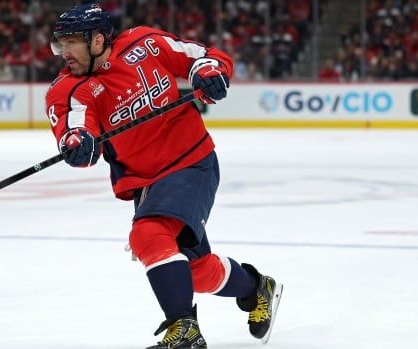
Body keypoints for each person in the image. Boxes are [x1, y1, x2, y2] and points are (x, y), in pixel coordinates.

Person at [45, 3, 283, 348]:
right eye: (60, 44)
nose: (64, 52)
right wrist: (77, 144)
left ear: (98, 40)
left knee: (148, 234)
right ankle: (256, 287)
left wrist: (209, 72)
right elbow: (77, 132)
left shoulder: (144, 44)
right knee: (198, 274)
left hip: (191, 161)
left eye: (71, 43)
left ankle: (184, 329)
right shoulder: (68, 90)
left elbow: (202, 56)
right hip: (146, 182)